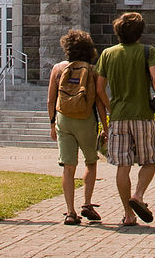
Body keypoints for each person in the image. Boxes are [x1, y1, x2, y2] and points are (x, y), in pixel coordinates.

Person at [95, 11, 155, 228]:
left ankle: (128, 214)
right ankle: (139, 195)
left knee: (122, 166)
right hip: (142, 115)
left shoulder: (107, 54)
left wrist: (110, 106)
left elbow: (99, 88)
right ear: (140, 32)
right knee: (151, 159)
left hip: (118, 118)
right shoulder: (147, 51)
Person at [47, 28, 108, 225]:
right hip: (86, 120)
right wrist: (105, 126)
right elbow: (99, 101)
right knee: (90, 162)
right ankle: (87, 204)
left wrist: (51, 123)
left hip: (63, 120)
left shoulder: (57, 69)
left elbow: (50, 100)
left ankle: (70, 212)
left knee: (68, 167)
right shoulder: (92, 70)